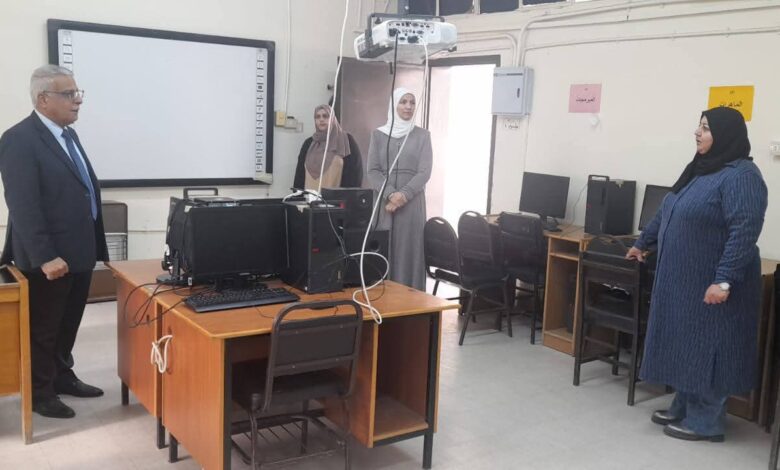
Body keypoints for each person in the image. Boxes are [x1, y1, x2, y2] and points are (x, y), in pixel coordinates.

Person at [627, 106, 767, 442]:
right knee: (687, 344)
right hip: (685, 280)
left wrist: (724, 279)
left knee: (711, 348)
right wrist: (642, 243)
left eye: (705, 128)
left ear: (725, 134)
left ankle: (706, 422)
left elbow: (744, 231)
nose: (697, 132)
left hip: (713, 282)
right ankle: (684, 405)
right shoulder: (702, 169)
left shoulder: (742, 176)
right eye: (699, 126)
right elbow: (668, 209)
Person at [0, 65, 109, 419]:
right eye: (69, 94)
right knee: (44, 329)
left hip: (78, 251)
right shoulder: (19, 139)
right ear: (43, 99)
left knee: (68, 323)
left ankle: (62, 375)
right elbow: (23, 204)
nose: (78, 100)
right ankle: (40, 392)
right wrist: (45, 255)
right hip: (48, 258)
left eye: (78, 93)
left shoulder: (67, 135)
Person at [366, 88, 432, 291]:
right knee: (383, 250)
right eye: (403, 102)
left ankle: (411, 301)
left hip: (412, 205)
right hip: (384, 204)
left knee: (408, 251)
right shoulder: (378, 135)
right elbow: (372, 171)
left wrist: (404, 194)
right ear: (394, 105)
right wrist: (390, 194)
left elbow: (425, 171)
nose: (408, 106)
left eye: (412, 102)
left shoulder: (422, 136)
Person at [293, 104, 362, 191]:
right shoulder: (309, 144)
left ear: (332, 118)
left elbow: (356, 173)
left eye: (325, 116)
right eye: (318, 117)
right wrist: (297, 196)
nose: (321, 119)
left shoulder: (346, 140)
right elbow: (299, 176)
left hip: (337, 198)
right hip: (309, 198)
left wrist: (349, 196)